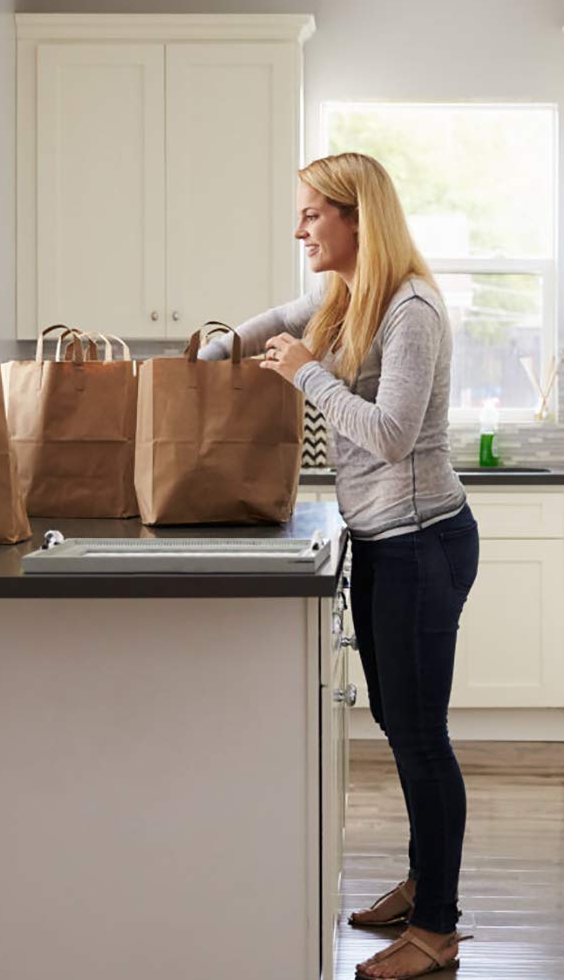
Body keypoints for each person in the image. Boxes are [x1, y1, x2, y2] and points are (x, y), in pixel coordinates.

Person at [200, 152, 478, 980]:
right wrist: (218, 347)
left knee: (421, 737)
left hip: (423, 540)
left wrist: (307, 374)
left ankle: (436, 928)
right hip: (385, 542)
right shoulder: (349, 296)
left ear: (359, 219)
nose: (299, 229)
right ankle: (426, 880)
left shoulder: (411, 310)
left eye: (312, 214)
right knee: (400, 723)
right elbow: (278, 318)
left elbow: (391, 436)